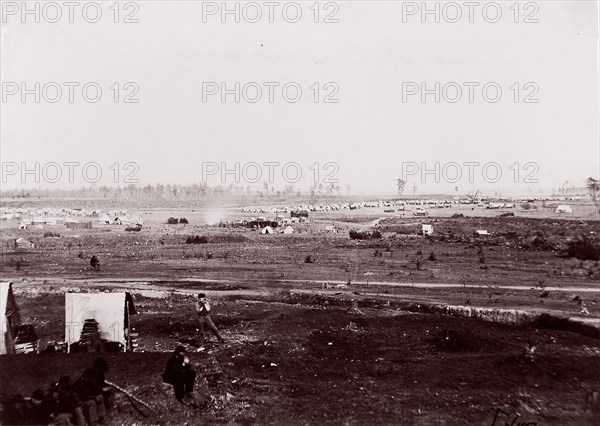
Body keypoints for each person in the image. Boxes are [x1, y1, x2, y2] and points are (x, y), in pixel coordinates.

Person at [74, 358, 114, 423]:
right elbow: (86, 391)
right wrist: (95, 395)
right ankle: (95, 420)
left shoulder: (100, 373)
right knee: (97, 399)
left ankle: (103, 415)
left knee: (108, 392)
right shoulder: (88, 376)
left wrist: (106, 388)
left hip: (92, 392)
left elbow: (100, 383)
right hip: (85, 396)